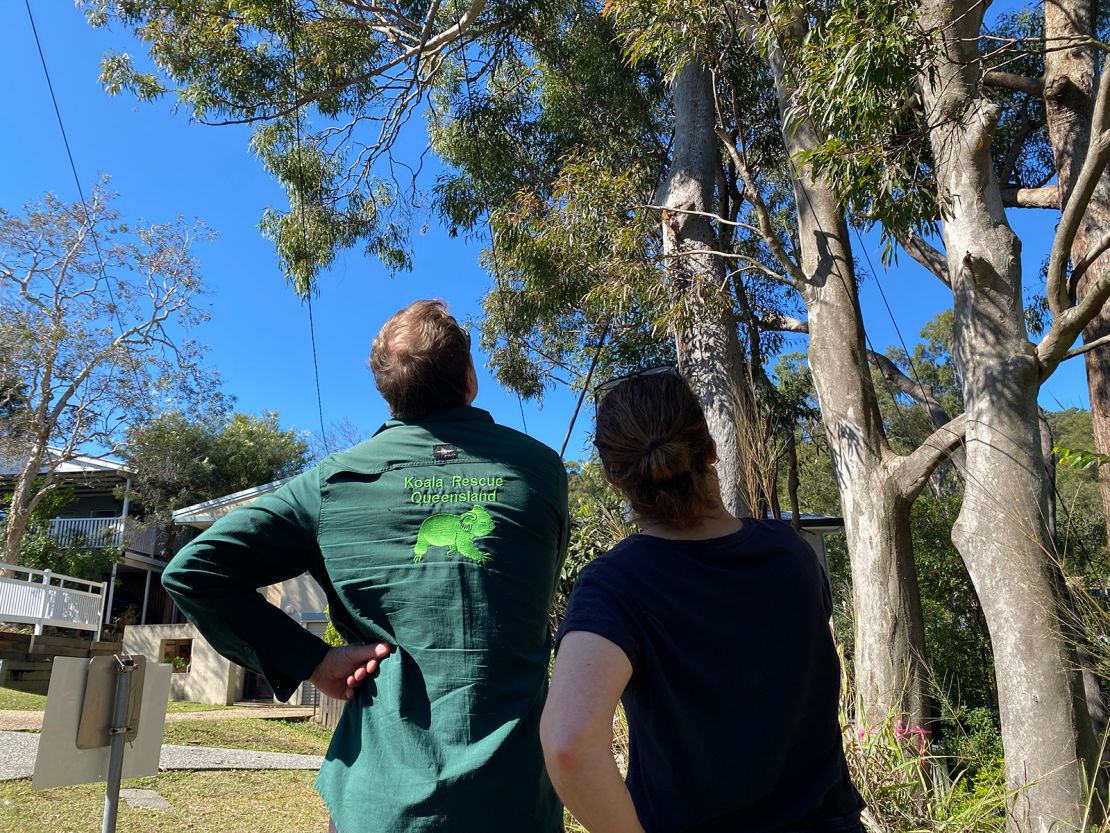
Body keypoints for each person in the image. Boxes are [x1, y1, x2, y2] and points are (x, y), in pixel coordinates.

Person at [162, 299, 569, 833]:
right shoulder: (541, 470)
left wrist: (314, 662)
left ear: (387, 392)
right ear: (470, 378)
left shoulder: (331, 485)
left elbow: (193, 571)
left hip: (378, 806)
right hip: (514, 803)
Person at [541, 367, 864, 833]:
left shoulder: (615, 585)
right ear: (710, 451)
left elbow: (568, 745)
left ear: (615, 479)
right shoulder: (792, 555)